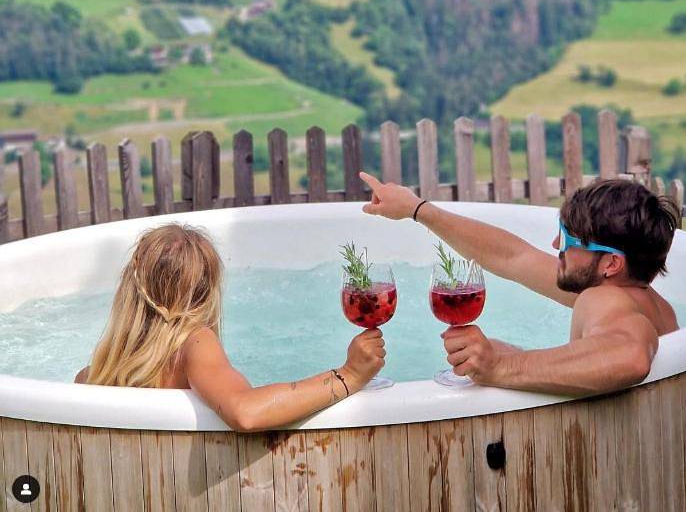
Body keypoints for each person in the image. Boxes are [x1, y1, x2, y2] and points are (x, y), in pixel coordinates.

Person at [360, 171, 680, 396]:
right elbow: (513, 256)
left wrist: (500, 367)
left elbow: (631, 357)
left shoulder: (603, 300)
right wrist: (417, 209)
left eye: (570, 238)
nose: (557, 244)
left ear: (611, 262)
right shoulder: (645, 299)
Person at [75, 224, 384, 431]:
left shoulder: (91, 378)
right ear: (206, 291)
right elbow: (246, 413)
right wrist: (349, 376)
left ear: (128, 289)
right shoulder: (193, 342)